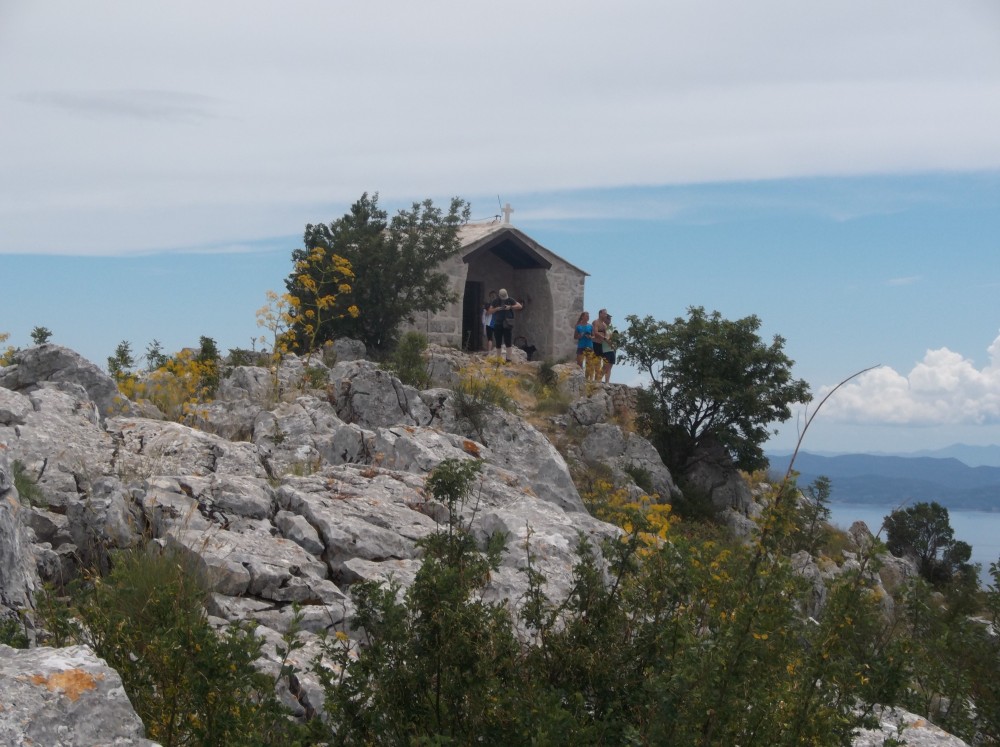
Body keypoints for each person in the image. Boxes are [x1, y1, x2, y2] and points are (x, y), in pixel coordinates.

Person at [489, 288, 523, 361]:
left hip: (508, 324)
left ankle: (508, 359)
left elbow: (520, 306)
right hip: (498, 323)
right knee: (498, 342)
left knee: (508, 341)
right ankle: (499, 359)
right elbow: (490, 311)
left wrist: (510, 307)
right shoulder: (495, 301)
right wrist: (496, 309)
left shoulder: (510, 300)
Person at [599, 310, 617, 383]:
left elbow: (612, 338)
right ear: (605, 319)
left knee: (610, 367)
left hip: (612, 349)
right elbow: (603, 337)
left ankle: (607, 382)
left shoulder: (610, 328)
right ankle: (598, 380)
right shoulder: (602, 326)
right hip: (605, 349)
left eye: (610, 318)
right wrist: (610, 343)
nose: (609, 320)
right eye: (608, 318)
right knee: (605, 366)